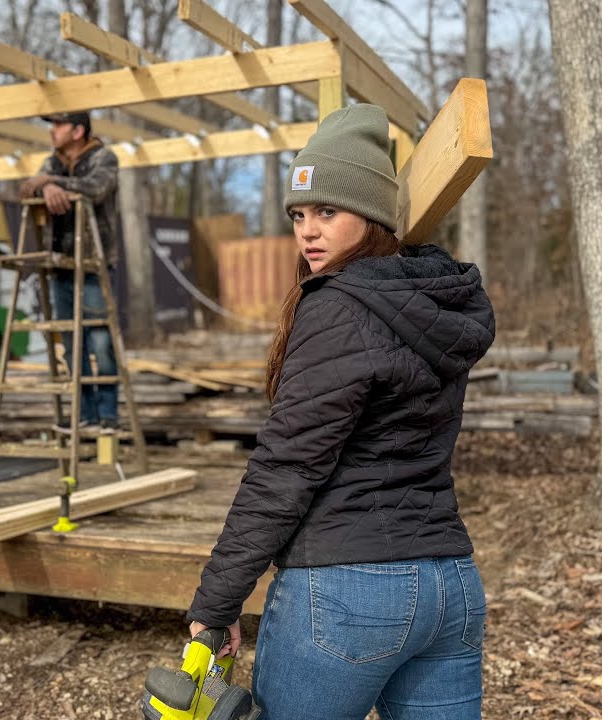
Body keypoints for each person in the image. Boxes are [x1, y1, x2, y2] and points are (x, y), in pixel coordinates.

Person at [186, 104, 496, 719]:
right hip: (450, 584)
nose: (308, 231)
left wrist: (215, 605)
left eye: (328, 211)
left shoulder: (338, 308)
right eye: (299, 215)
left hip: (348, 591)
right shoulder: (437, 300)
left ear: (374, 213)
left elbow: (285, 467)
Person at [18, 111, 122, 431]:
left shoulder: (105, 157)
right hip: (60, 266)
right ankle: (85, 414)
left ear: (78, 131)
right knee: (73, 341)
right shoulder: (52, 162)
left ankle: (107, 416)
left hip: (92, 264)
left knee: (101, 342)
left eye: (58, 125)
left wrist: (50, 183)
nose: (52, 131)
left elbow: (95, 187)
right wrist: (43, 187)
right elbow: (27, 189)